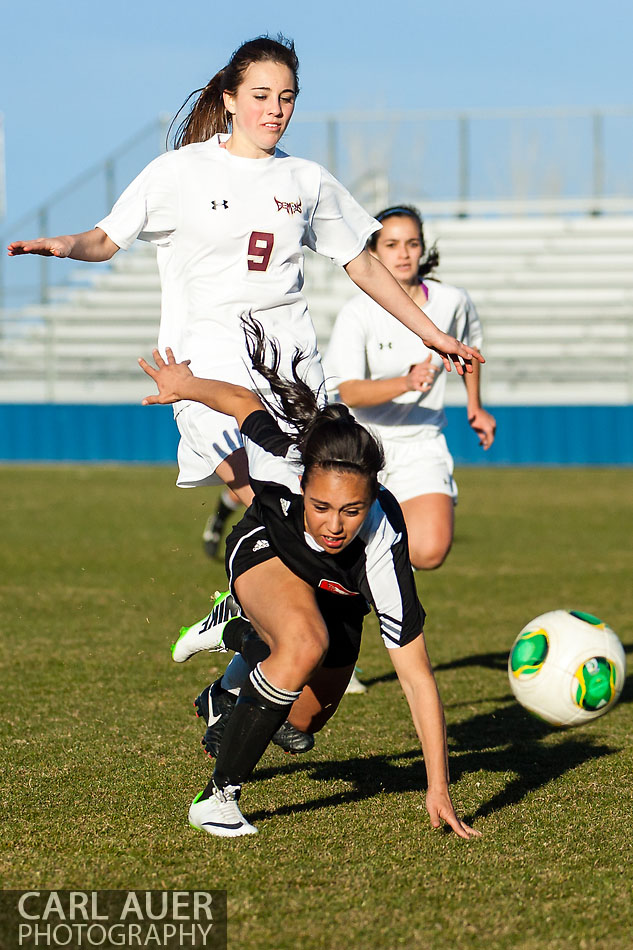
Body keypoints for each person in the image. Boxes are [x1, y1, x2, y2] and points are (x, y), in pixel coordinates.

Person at [8, 38, 482, 513]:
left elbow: (362, 264)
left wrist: (433, 334)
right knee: (269, 509)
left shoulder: (307, 180)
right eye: (260, 96)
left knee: (304, 517)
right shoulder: (180, 171)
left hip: (290, 371)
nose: (275, 109)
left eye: (286, 97)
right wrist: (67, 246)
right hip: (205, 368)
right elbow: (106, 240)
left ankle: (249, 588)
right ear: (229, 100)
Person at [138, 317, 481, 841]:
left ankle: (236, 646)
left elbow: (416, 677)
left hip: (335, 597)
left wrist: (438, 787)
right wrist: (185, 386)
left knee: (299, 724)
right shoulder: (280, 458)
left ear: (373, 498)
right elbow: (240, 401)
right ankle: (218, 798)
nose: (335, 524)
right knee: (302, 642)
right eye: (321, 507)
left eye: (352, 510)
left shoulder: (385, 538)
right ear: (302, 483)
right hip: (266, 553)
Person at [324, 205, 496, 571]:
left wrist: (475, 406)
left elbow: (468, 349)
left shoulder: (452, 302)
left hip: (421, 442)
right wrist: (406, 382)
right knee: (330, 554)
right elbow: (350, 393)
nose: (403, 253)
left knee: (429, 552)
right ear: (372, 252)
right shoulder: (358, 312)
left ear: (422, 249)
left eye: (412, 243)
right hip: (362, 448)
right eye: (391, 244)